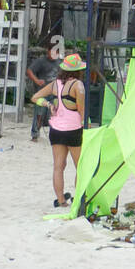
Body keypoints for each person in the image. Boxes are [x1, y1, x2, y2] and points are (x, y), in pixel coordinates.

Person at [32, 53, 86, 208]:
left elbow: (35, 98)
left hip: (56, 129)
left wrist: (49, 105)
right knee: (80, 166)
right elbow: (81, 110)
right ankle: (79, 200)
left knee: (58, 166)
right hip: (74, 129)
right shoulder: (78, 85)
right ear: (78, 70)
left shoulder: (55, 84)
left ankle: (61, 200)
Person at [26, 43, 61, 142]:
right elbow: (29, 71)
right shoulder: (41, 61)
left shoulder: (59, 62)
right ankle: (35, 134)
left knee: (54, 115)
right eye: (52, 52)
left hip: (54, 93)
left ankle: (54, 135)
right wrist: (36, 81)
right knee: (39, 113)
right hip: (42, 93)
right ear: (48, 51)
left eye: (56, 52)